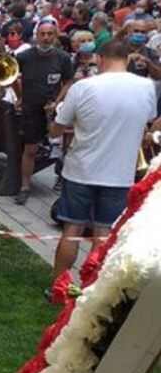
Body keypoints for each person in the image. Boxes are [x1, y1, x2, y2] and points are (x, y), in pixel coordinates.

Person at [50, 40, 157, 279]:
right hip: (120, 174)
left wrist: (57, 125)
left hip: (81, 170)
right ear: (127, 60)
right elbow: (147, 122)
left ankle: (58, 287)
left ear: (99, 59)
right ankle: (90, 288)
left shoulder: (84, 87)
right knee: (103, 233)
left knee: (73, 229)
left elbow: (58, 127)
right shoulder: (146, 87)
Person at [14, 19, 73, 205]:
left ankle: (62, 183)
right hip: (31, 108)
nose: (46, 38)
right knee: (30, 148)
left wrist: (57, 102)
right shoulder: (24, 56)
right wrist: (20, 96)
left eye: (50, 34)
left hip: (53, 110)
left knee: (64, 146)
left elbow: (68, 82)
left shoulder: (63, 58)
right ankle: (24, 187)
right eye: (43, 34)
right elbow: (13, 76)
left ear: (55, 36)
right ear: (36, 35)